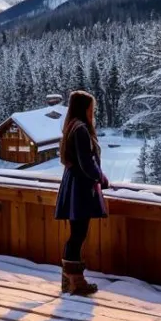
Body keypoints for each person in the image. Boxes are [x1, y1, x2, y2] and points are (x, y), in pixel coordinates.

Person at [55, 90, 109, 295]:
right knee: (78, 234)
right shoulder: (81, 130)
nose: (92, 111)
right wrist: (100, 177)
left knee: (75, 234)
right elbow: (86, 162)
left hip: (74, 185)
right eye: (91, 107)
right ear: (84, 108)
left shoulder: (71, 127)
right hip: (80, 188)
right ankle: (75, 281)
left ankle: (69, 281)